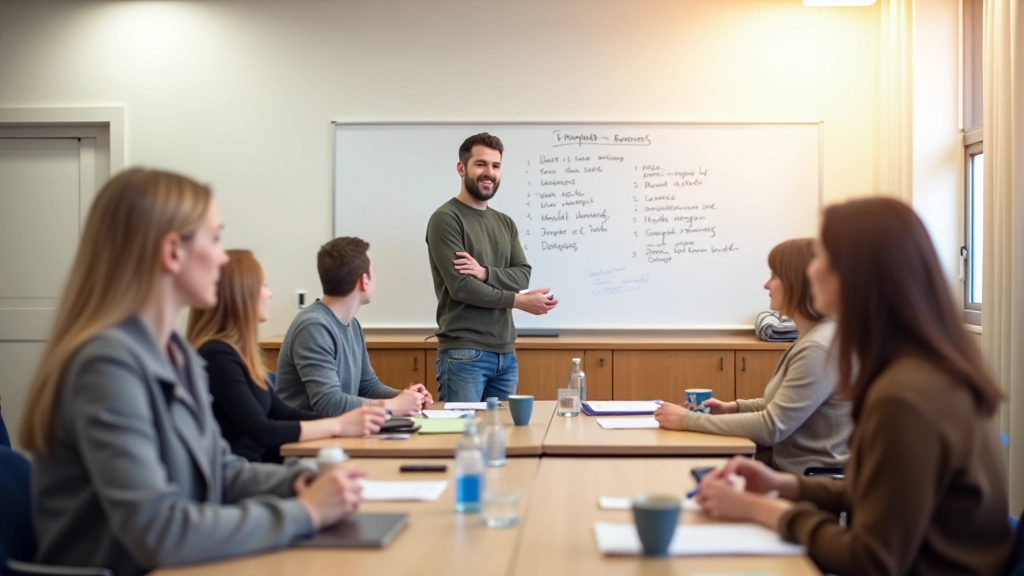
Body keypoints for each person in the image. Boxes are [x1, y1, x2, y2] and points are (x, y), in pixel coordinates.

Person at [18, 168, 364, 576]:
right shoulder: (105, 366)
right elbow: (157, 530)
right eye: (214, 240)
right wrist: (305, 512)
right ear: (172, 252)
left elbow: (218, 469)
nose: (222, 258)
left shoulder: (178, 354)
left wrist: (295, 483)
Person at [696, 198, 1012, 575]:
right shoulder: (919, 369)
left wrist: (763, 510)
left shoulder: (905, 397)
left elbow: (872, 561)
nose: (811, 270)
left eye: (822, 257)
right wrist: (784, 485)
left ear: (857, 274)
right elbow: (878, 491)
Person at [654, 238, 851, 474]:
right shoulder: (812, 339)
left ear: (797, 281)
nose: (766, 286)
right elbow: (779, 405)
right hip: (785, 469)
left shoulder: (818, 348)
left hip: (806, 481)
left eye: (774, 276)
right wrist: (732, 408)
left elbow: (772, 426)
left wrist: (687, 420)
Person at [187, 249, 388, 463]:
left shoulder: (239, 352)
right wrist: (338, 425)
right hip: (247, 471)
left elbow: (283, 413)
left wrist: (349, 422)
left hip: (265, 465)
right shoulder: (217, 355)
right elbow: (261, 431)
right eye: (263, 285)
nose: (269, 294)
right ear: (239, 295)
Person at [425, 132, 559, 402]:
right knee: (463, 429)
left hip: (506, 354)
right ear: (461, 168)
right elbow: (463, 287)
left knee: (501, 430)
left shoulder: (505, 223)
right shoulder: (446, 219)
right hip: (464, 353)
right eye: (481, 164)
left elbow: (522, 275)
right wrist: (519, 301)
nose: (489, 172)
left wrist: (485, 273)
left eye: (496, 166)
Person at [276, 237, 432, 416]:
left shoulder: (352, 324)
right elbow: (329, 404)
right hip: (308, 432)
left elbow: (367, 386)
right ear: (364, 280)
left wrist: (407, 398)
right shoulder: (313, 327)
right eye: (373, 270)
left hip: (340, 428)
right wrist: (395, 405)